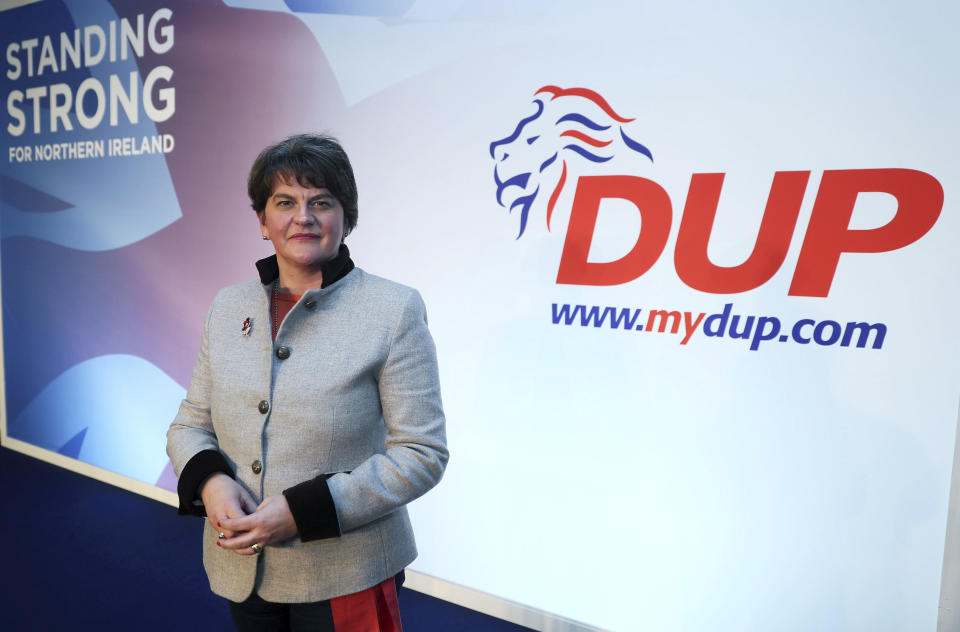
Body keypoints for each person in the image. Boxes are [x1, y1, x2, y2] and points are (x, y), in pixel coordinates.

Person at [166, 134, 448, 632]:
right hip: (241, 565)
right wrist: (211, 485)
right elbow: (191, 423)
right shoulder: (228, 306)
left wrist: (302, 510)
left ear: (346, 215)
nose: (304, 217)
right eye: (285, 203)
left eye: (322, 201)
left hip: (346, 572)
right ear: (262, 221)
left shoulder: (393, 309)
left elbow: (421, 453)